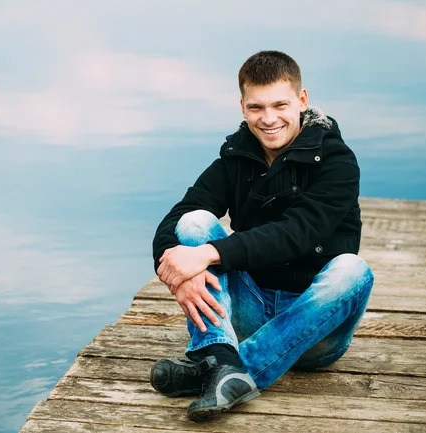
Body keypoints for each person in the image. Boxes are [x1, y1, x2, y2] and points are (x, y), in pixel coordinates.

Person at [150, 50, 374, 422]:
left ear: (302, 101)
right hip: (247, 311)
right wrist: (177, 274)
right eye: (256, 107)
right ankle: (221, 361)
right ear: (242, 107)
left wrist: (207, 254)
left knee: (353, 270)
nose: (268, 119)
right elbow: (173, 221)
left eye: (280, 105)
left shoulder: (337, 162)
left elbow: (296, 233)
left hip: (315, 328)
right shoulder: (235, 159)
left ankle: (219, 367)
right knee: (192, 224)